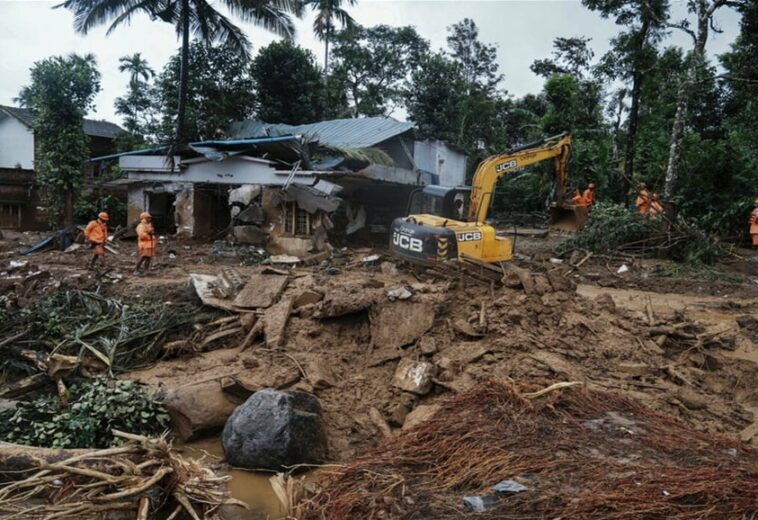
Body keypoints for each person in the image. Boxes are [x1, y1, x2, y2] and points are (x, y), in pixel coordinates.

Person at [134, 212, 156, 276]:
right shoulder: (140, 226)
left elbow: (152, 232)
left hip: (150, 244)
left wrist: (151, 232)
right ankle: (136, 270)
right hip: (144, 245)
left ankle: (146, 270)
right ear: (144, 218)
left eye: (150, 218)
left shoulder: (149, 225)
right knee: (143, 257)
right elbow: (141, 235)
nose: (150, 219)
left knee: (149, 258)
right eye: (148, 217)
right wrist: (149, 233)